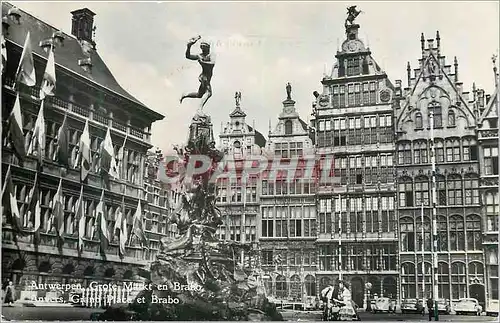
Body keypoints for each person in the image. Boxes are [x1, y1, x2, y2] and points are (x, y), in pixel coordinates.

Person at [180, 36, 216, 113]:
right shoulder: (200, 56)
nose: (203, 49)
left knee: (199, 95)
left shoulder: (211, 55)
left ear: (208, 48)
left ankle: (185, 94)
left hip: (207, 77)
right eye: (202, 47)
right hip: (204, 77)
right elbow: (188, 56)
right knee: (209, 93)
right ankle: (199, 109)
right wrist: (189, 46)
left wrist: (202, 62)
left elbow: (212, 63)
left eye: (204, 48)